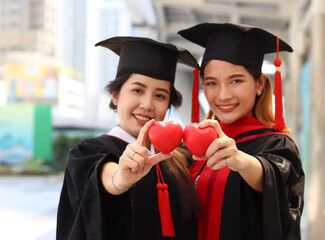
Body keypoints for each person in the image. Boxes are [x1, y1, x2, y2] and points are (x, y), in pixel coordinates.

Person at [56, 36, 201, 240]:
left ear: (169, 104)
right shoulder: (89, 153)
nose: (147, 104)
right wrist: (121, 179)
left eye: (160, 95)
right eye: (137, 90)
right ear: (115, 95)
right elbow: (106, 177)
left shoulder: (180, 159)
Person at [178, 23, 305, 240]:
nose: (223, 95)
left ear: (259, 84)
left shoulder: (276, 145)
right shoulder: (191, 144)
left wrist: (240, 161)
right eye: (211, 83)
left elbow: (277, 180)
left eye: (236, 80)